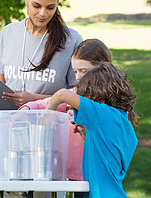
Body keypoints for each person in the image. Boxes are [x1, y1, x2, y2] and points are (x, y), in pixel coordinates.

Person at [20, 39, 113, 185]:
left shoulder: (110, 103)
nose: (78, 77)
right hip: (66, 173)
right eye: (75, 71)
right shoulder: (77, 92)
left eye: (84, 71)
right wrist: (27, 108)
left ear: (102, 68)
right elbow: (44, 103)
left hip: (92, 174)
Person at [0, 0, 82, 106]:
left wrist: (33, 99)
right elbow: (1, 84)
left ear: (57, 3)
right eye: (36, 6)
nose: (43, 13)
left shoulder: (72, 40)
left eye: (50, 7)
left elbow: (77, 95)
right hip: (9, 122)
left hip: (49, 122)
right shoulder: (7, 33)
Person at [47, 62, 139, 198]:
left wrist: (47, 115)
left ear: (95, 95)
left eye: (85, 96)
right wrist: (86, 134)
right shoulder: (124, 123)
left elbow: (61, 95)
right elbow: (106, 151)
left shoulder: (102, 114)